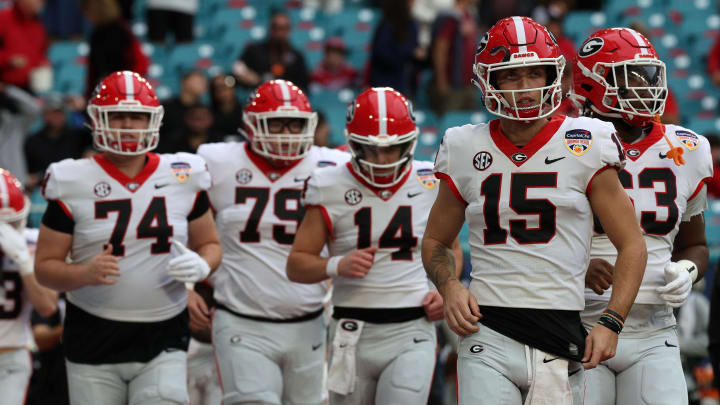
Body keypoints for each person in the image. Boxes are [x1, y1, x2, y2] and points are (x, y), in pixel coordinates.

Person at [421, 16, 648, 405]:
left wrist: (612, 321)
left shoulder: (586, 141)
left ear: (553, 75)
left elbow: (632, 244)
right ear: (488, 81)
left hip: (559, 331)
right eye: (511, 76)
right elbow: (435, 241)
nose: (525, 89)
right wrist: (451, 285)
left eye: (534, 73)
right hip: (486, 329)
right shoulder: (462, 146)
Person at [33, 71, 222, 405]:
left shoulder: (183, 174)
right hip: (93, 331)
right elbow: (45, 268)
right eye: (118, 115)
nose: (127, 125)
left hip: (165, 330)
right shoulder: (72, 179)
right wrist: (83, 273)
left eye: (137, 116)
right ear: (97, 120)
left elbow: (210, 244)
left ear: (154, 120)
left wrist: (201, 266)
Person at [286, 87, 463, 404]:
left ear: (408, 142)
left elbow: (451, 248)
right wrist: (336, 265)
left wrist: (445, 288)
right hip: (350, 330)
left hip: (412, 326)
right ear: (353, 144)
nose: (382, 159)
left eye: (392, 149)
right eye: (371, 150)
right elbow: (296, 264)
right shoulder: (329, 184)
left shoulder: (429, 181)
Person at [570, 27, 713, 405]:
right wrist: (576, 263)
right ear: (591, 83)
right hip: (578, 323)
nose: (642, 86)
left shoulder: (688, 147)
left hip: (656, 328)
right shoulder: (564, 143)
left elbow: (695, 245)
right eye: (627, 77)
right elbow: (532, 236)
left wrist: (688, 271)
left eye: (646, 75)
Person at [197, 79, 348, 405]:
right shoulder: (217, 162)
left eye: (295, 124)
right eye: (276, 123)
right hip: (240, 318)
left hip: (309, 320)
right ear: (251, 125)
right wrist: (185, 288)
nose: (285, 133)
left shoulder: (333, 166)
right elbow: (177, 225)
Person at [0, 168, 58, 405]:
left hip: (11, 356)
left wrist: (24, 261)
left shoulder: (31, 244)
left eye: (11, 224)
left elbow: (47, 307)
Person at [234, 12, 310, 90]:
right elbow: (238, 67)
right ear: (270, 29)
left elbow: (304, 85)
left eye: (283, 28)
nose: (279, 33)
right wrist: (248, 76)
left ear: (289, 30)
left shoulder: (296, 57)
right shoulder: (255, 50)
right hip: (258, 95)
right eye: (275, 28)